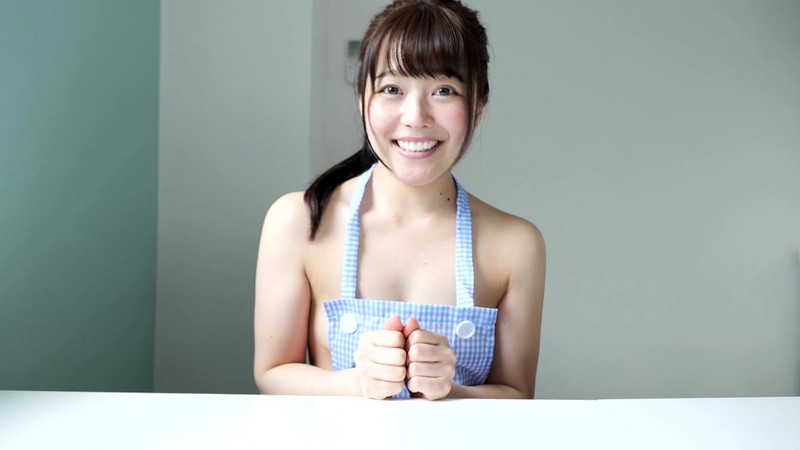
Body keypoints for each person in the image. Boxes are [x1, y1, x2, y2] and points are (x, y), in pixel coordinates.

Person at [254, 0, 545, 400]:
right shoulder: (297, 220)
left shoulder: (516, 243)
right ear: (362, 98)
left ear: (478, 107)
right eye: (392, 89)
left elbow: (516, 394)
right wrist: (357, 383)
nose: (415, 116)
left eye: (444, 90)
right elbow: (272, 373)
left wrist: (452, 390)